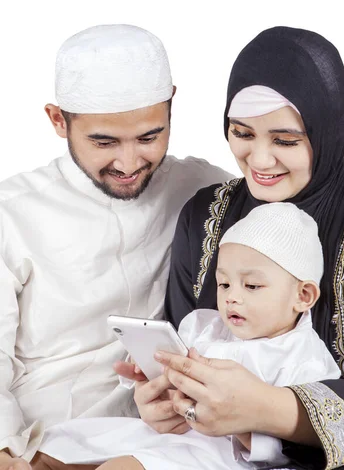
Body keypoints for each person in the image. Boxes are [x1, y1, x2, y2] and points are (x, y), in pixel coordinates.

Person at [120, 26, 344, 470]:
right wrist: (164, 401)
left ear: (329, 130)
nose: (261, 160)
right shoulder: (206, 215)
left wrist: (265, 410)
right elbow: (182, 345)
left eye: (286, 140)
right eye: (242, 133)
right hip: (201, 450)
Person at [0, 24, 231, 470]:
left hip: (168, 443)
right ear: (57, 120)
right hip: (40, 440)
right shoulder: (11, 214)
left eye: (149, 137)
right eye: (104, 142)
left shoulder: (207, 190)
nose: (128, 164)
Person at [38, 202, 340, 470]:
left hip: (218, 454)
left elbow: (297, 449)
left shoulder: (308, 360)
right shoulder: (203, 325)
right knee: (56, 447)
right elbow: (169, 379)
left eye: (252, 287)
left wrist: (239, 422)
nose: (232, 298)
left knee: (121, 466)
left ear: (303, 295)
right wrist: (150, 370)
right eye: (224, 285)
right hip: (170, 434)